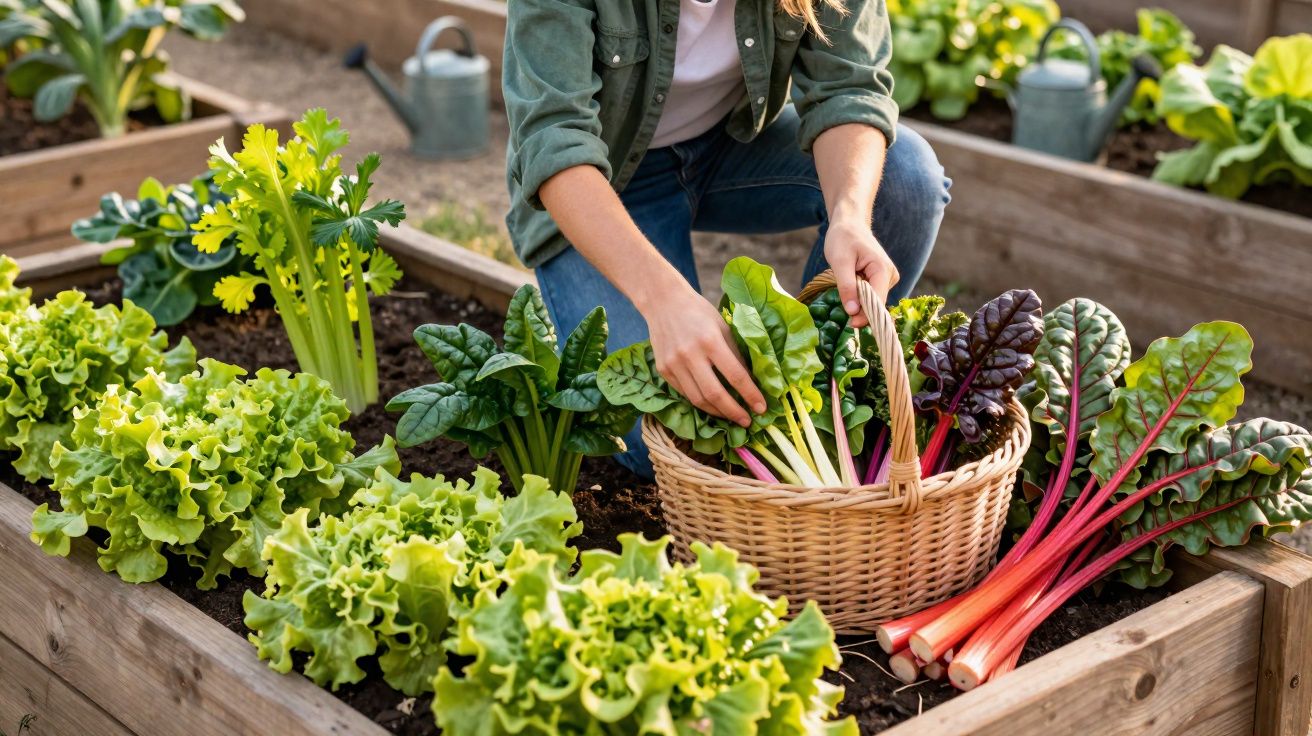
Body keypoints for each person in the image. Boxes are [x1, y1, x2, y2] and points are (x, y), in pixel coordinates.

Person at [502, 0, 951, 478]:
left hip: (730, 145)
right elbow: (554, 140)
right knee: (665, 439)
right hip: (603, 182)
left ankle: (823, 411)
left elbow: (851, 87)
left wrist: (850, 215)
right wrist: (664, 301)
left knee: (906, 180)